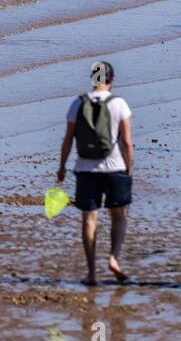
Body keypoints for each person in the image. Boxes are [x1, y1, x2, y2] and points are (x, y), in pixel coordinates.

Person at [56, 61, 134, 286]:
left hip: (85, 169)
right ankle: (113, 258)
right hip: (115, 167)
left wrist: (61, 167)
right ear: (111, 80)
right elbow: (127, 142)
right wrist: (130, 167)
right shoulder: (119, 104)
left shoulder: (77, 103)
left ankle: (92, 273)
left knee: (89, 218)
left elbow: (68, 139)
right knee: (119, 215)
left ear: (93, 79)